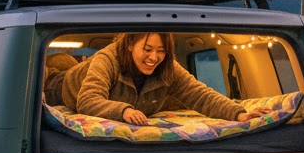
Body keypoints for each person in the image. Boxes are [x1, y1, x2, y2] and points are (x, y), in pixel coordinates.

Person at [70, 32, 263, 125]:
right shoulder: (108, 59)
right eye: (147, 49)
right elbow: (87, 101)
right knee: (61, 65)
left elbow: (200, 94)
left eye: (161, 51)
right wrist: (124, 111)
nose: (154, 58)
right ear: (129, 44)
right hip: (63, 86)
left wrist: (238, 114)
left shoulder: (167, 67)